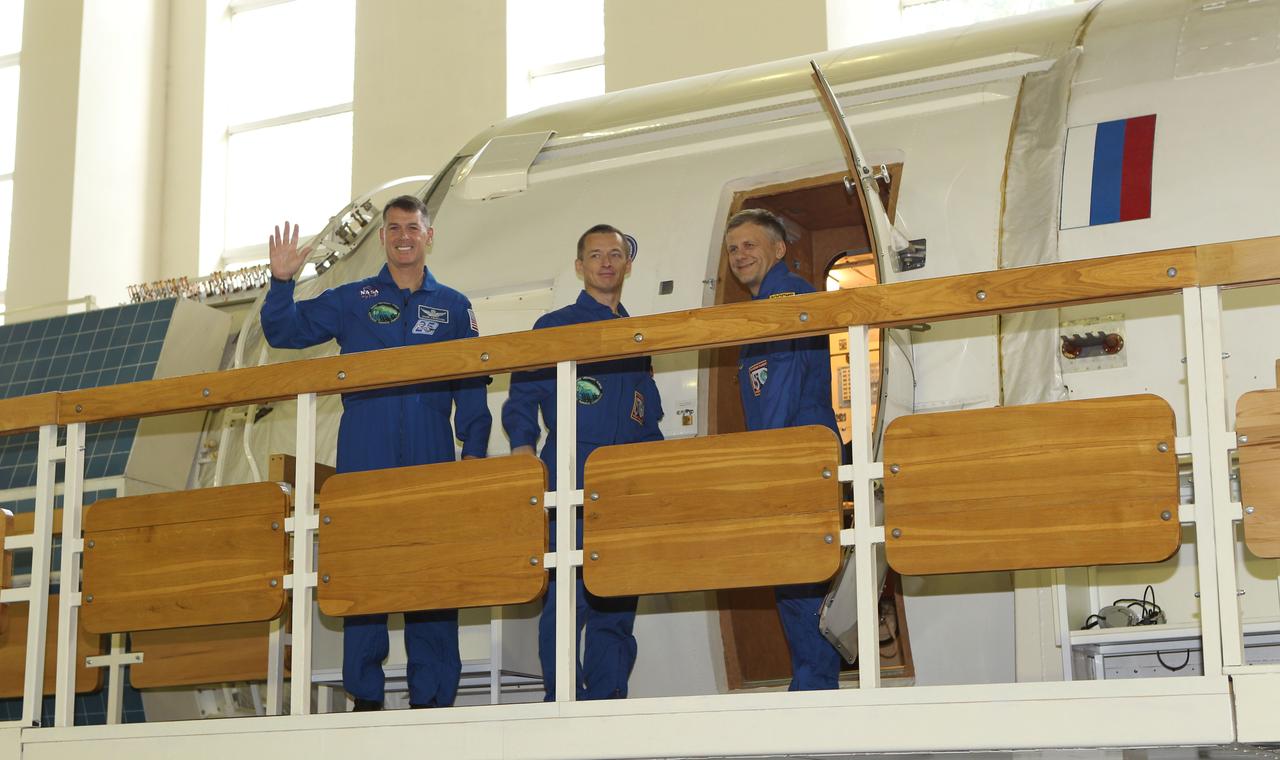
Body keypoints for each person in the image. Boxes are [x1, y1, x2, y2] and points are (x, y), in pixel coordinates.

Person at [260, 195, 492, 711]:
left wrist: (473, 453)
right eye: (394, 228)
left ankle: (432, 699)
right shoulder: (352, 299)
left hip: (431, 455)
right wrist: (281, 282)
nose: (403, 236)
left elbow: (472, 385)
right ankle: (365, 696)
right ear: (383, 237)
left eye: (413, 227)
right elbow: (284, 330)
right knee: (364, 570)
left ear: (429, 235)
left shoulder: (455, 306)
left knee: (430, 574)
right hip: (365, 450)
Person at [502, 224, 664, 701]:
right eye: (596, 255)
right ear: (580, 266)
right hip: (568, 475)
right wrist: (522, 448)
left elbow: (646, 416)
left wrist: (658, 475)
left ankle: (608, 699)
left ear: (627, 264)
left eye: (615, 254)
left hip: (623, 482)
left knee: (616, 599)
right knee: (566, 598)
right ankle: (562, 699)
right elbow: (522, 396)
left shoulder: (636, 336)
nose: (606, 263)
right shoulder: (555, 326)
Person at [723, 207, 843, 690]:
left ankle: (815, 691)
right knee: (795, 577)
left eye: (750, 245)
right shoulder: (760, 309)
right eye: (733, 249)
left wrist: (762, 462)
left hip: (793, 453)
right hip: (788, 451)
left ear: (778, 249)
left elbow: (782, 388)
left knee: (801, 576)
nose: (740, 255)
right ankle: (813, 685)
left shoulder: (787, 298)